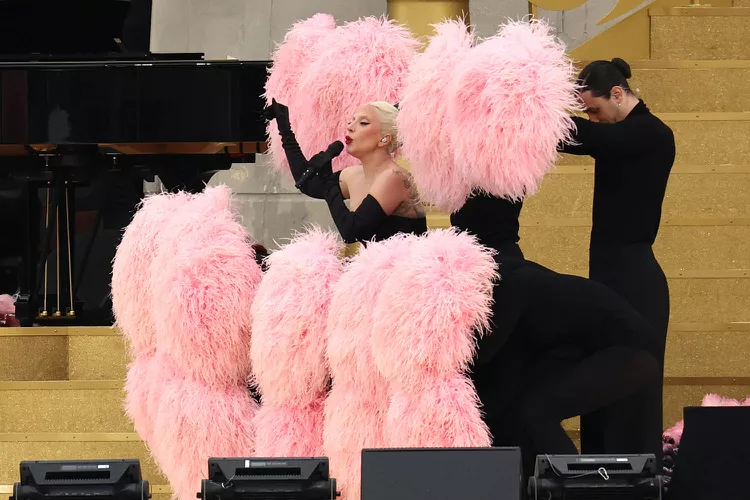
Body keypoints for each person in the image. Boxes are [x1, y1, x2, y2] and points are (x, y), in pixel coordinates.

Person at [450, 194, 662, 476]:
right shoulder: (510, 275)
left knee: (532, 412)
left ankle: (576, 491)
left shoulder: (510, 281)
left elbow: (482, 353)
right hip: (606, 350)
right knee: (522, 411)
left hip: (630, 354)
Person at [560, 58, 676, 464]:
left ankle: (633, 481)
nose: (592, 117)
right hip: (609, 275)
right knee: (602, 379)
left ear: (617, 94)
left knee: (632, 382)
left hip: (635, 279)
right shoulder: (623, 133)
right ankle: (598, 474)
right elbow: (581, 136)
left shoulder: (652, 134)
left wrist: (532, 109)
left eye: (594, 108)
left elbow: (582, 136)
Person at [265, 99, 427, 244]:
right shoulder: (353, 175)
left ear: (384, 138)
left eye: (363, 123)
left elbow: (352, 231)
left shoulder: (394, 177)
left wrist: (328, 180)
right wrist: (285, 129)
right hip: (372, 271)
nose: (350, 127)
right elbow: (308, 184)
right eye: (351, 121)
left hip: (404, 273)